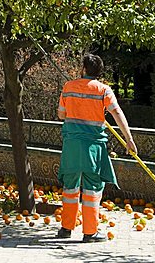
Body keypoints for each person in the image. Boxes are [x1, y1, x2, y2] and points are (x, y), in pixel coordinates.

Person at [56, 53, 137, 243]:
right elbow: (116, 112)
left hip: (72, 146)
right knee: (92, 188)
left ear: (84, 69)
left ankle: (66, 228)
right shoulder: (104, 90)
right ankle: (90, 232)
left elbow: (61, 115)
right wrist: (129, 139)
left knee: (70, 187)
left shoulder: (68, 87)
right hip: (93, 147)